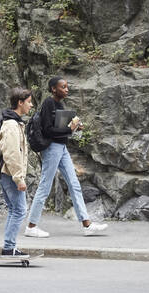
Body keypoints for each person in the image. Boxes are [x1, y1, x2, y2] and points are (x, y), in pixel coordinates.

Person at [25, 77, 108, 237]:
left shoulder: (59, 104)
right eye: (63, 87)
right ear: (53, 89)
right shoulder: (49, 103)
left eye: (67, 87)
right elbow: (48, 130)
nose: (67, 89)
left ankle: (87, 225)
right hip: (52, 149)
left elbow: (61, 127)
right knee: (45, 186)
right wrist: (69, 129)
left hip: (61, 148)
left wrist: (75, 126)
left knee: (74, 184)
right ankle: (31, 226)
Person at [0, 87, 33, 256]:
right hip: (10, 175)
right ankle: (9, 247)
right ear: (20, 103)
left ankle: (9, 246)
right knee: (19, 210)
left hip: (6, 174)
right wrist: (19, 178)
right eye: (28, 102)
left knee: (14, 210)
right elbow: (11, 154)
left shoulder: (14, 122)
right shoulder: (12, 125)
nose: (31, 105)